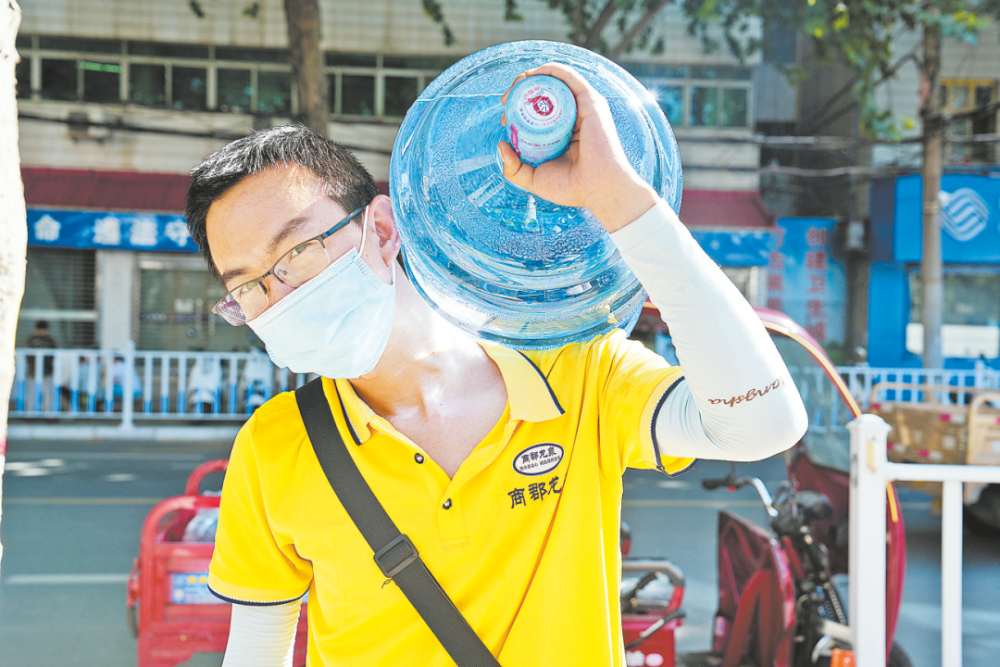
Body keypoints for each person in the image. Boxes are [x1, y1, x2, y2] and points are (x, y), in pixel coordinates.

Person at [185, 64, 807, 667]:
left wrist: (620, 201)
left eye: (295, 252)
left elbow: (763, 424)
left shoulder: (574, 370)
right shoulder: (274, 446)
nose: (280, 298)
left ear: (378, 228)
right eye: (249, 288)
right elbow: (258, 649)